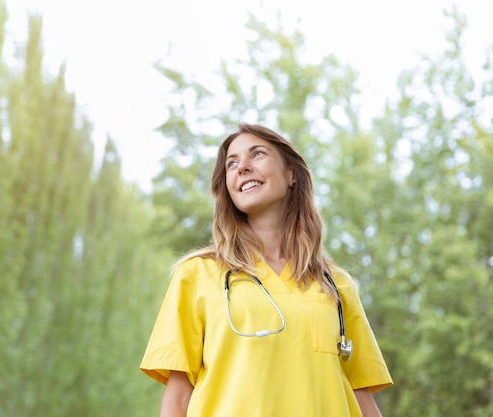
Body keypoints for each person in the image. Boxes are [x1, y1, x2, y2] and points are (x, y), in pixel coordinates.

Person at [140, 123, 393, 417]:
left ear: (291, 175)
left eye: (257, 154)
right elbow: (179, 397)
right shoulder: (197, 275)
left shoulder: (336, 285)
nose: (241, 167)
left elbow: (359, 394)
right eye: (231, 164)